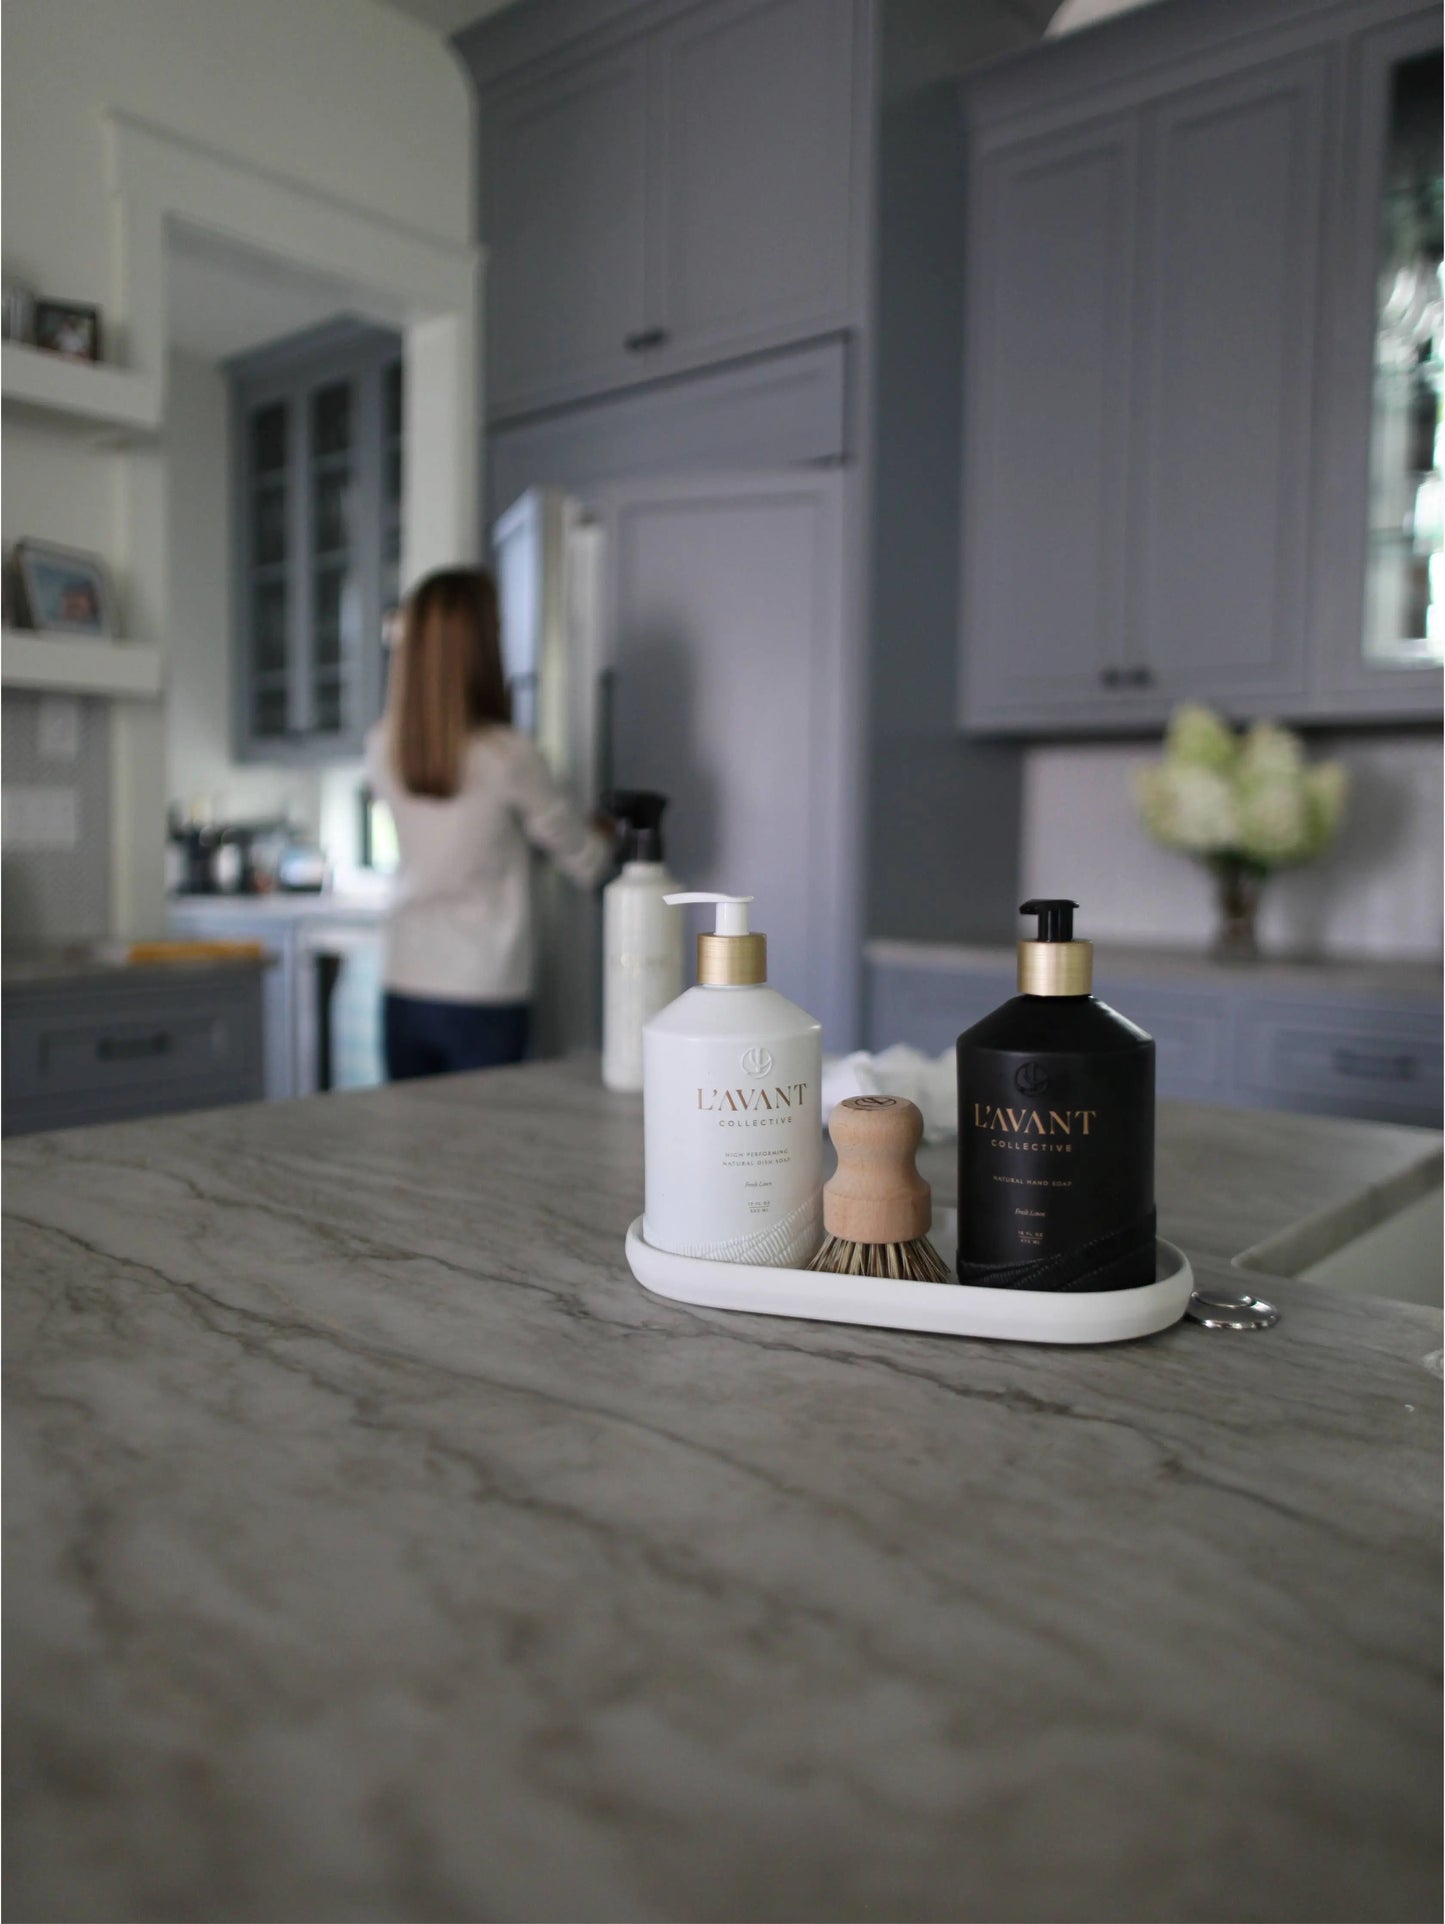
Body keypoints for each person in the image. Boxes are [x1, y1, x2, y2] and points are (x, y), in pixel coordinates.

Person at [365, 567, 613, 1080]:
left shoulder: (381, 745)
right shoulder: (507, 755)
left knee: (414, 1130)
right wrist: (606, 833)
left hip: (405, 982)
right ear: (481, 647)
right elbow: (586, 861)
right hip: (484, 991)